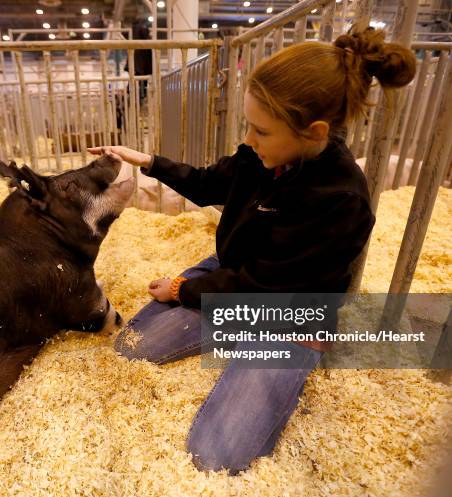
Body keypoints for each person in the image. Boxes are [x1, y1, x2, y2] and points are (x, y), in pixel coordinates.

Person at [88, 26, 416, 475]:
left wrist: (184, 290)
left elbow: (267, 287)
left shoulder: (340, 198)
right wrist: (147, 161)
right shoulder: (260, 156)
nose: (249, 138)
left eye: (260, 129)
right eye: (249, 125)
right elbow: (207, 184)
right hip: (236, 276)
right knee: (133, 348)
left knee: (216, 456)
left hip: (286, 314)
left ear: (314, 130)